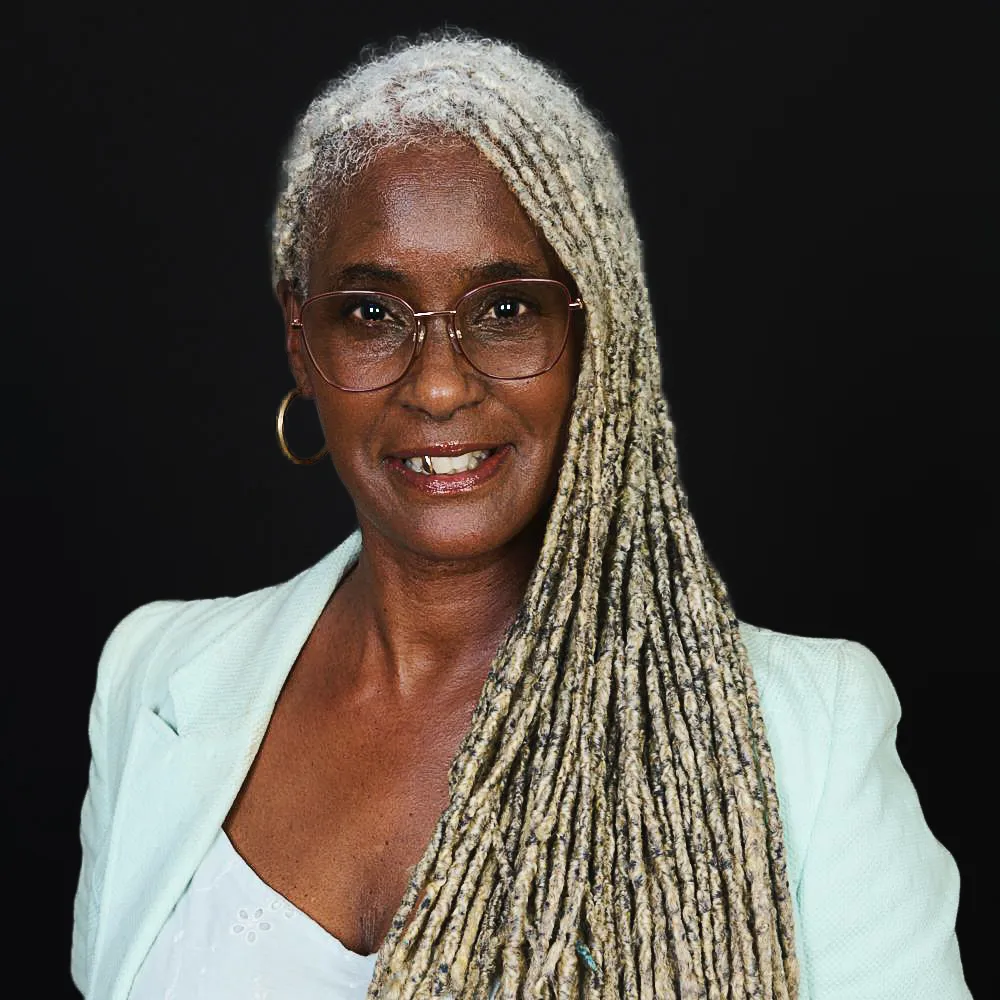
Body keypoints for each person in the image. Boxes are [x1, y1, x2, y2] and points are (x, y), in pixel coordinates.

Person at [70, 33, 971, 1000]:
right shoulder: (153, 677)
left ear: (595, 333)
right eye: (372, 313)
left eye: (505, 310)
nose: (440, 386)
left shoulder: (810, 732)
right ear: (301, 337)